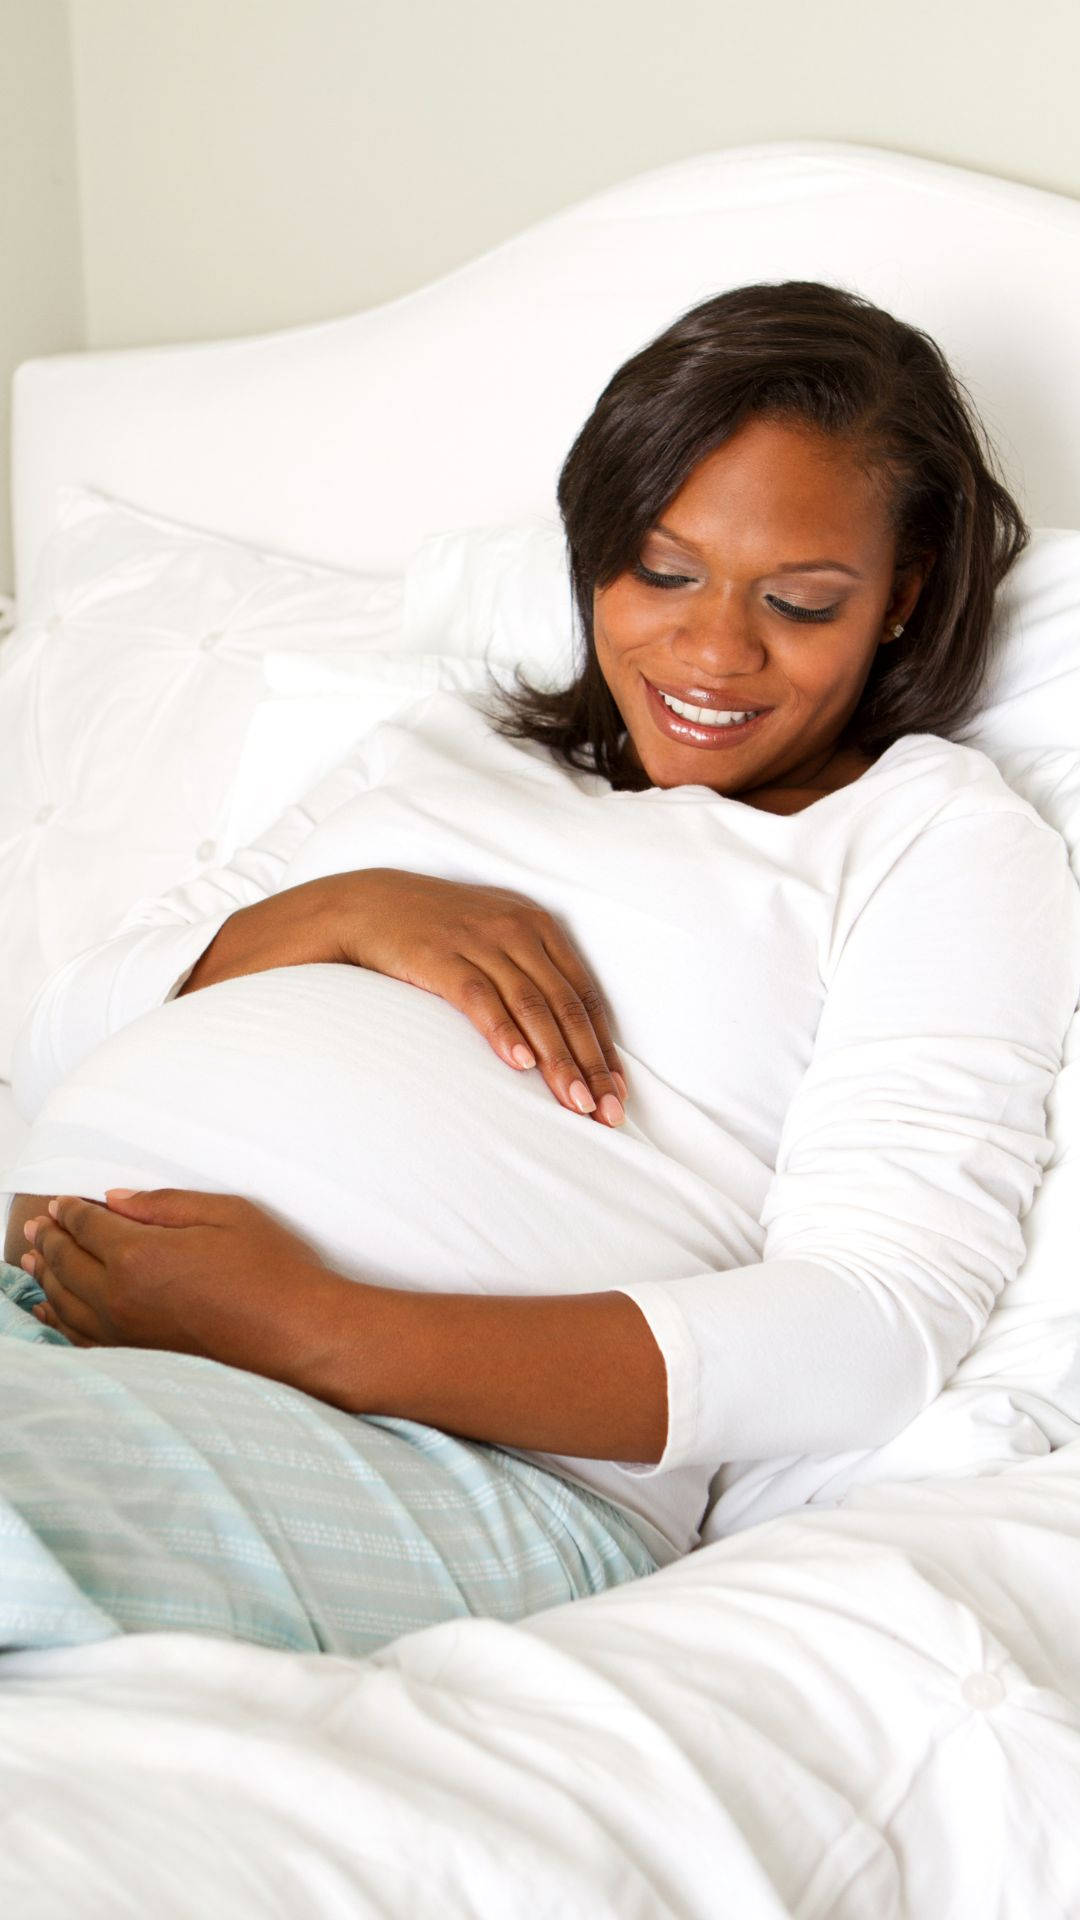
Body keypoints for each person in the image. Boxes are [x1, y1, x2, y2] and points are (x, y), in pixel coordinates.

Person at [2, 281, 1078, 1658]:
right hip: (58, 1333)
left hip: (443, 1452)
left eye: (801, 602)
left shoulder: (932, 834)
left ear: (900, 598)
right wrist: (345, 910)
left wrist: (319, 1328)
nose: (712, 651)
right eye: (663, 573)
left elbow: (873, 1330)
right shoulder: (442, 748)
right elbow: (53, 1039)